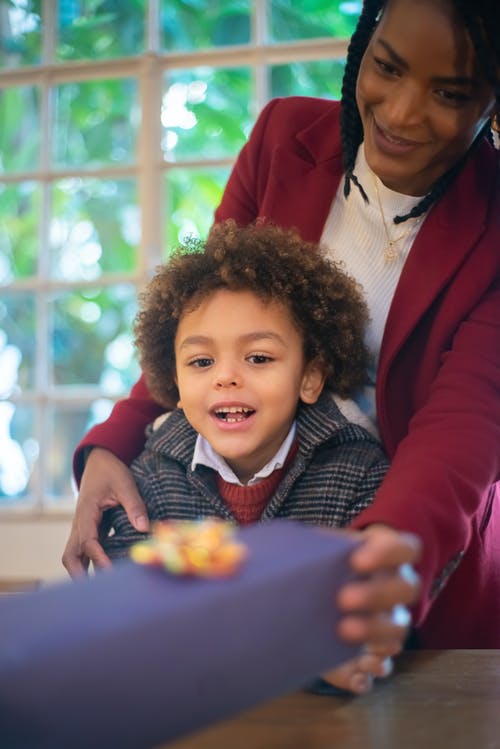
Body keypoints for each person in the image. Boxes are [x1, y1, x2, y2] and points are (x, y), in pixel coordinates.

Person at [64, 0, 499, 650]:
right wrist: (111, 444)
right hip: (263, 554)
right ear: (364, 43)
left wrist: (370, 561)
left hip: (418, 569)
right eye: (387, 67)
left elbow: (466, 424)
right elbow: (209, 321)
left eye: (450, 92)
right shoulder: (282, 139)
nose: (404, 113)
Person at [104, 219, 398, 693]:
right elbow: (130, 617)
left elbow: (367, 624)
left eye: (258, 358)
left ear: (310, 377)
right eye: (201, 362)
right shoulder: (149, 482)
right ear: (175, 383)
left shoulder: (360, 474)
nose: (226, 377)